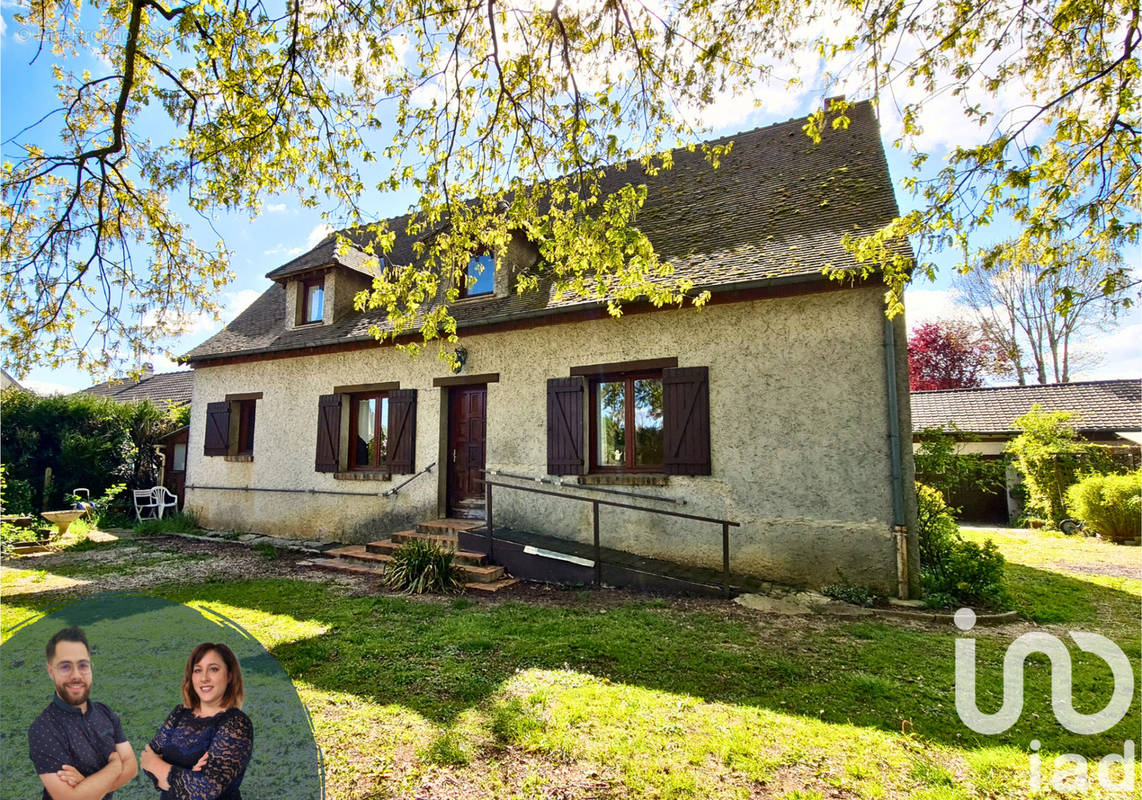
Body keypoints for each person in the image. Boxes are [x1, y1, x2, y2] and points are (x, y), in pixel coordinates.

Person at [28, 626, 138, 800]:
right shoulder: (43, 729)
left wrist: (87, 787)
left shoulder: (105, 713)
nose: (76, 675)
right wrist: (116, 765)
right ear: (51, 672)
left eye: (83, 665)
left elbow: (132, 767)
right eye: (65, 667)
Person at [141, 642, 253, 799]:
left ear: (229, 675)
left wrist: (156, 765)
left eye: (213, 669)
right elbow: (146, 758)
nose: (204, 678)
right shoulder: (179, 714)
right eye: (198, 670)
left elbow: (205, 790)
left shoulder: (237, 723)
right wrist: (186, 777)